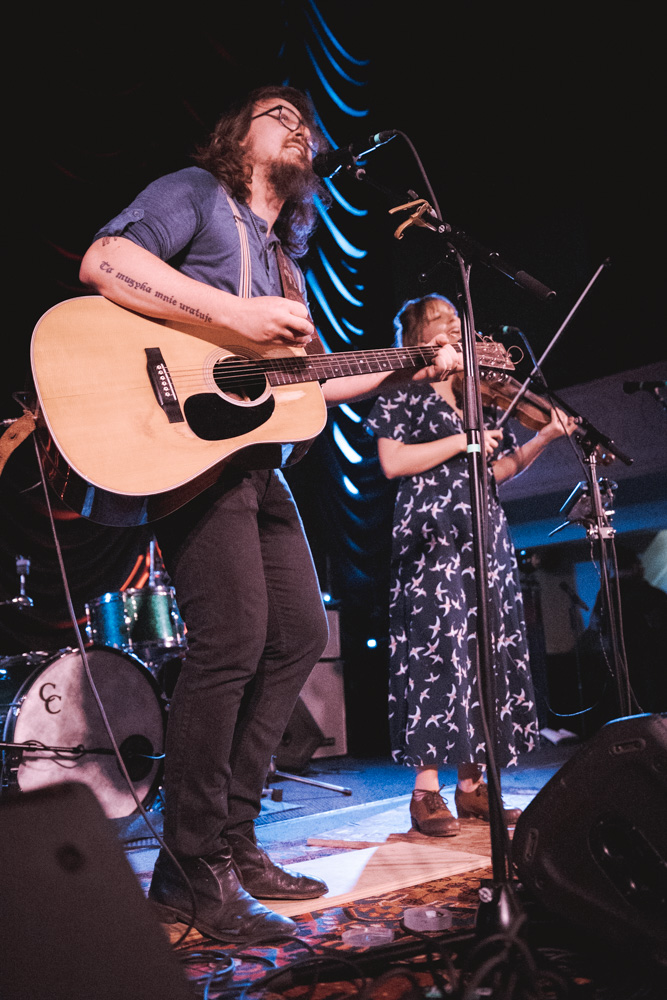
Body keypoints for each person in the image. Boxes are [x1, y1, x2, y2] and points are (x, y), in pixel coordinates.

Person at [78, 87, 462, 943]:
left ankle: (234, 841)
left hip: (257, 465)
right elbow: (104, 261)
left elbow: (309, 383)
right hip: (189, 452)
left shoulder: (287, 261)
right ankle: (187, 870)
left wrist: (409, 363)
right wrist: (232, 314)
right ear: (236, 135)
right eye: (275, 112)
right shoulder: (194, 194)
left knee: (295, 635)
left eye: (305, 122)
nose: (297, 125)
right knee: (232, 640)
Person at [365, 293, 578, 837]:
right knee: (437, 650)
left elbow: (496, 471)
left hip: (484, 534)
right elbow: (393, 461)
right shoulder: (402, 388)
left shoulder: (474, 397)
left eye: (459, 321)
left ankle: (471, 786)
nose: (456, 329)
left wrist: (544, 436)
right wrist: (465, 441)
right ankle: (425, 792)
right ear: (418, 335)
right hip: (431, 533)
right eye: (442, 321)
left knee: (485, 649)